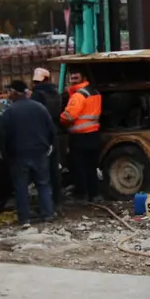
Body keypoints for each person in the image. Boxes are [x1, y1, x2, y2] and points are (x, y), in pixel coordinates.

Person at [0, 79, 58, 224]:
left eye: (9, 92)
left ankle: (24, 218)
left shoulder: (9, 112)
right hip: (40, 152)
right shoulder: (40, 108)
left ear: (14, 93)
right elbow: (52, 130)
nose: (8, 95)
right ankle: (48, 214)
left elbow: (1, 136)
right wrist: (49, 146)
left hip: (19, 154)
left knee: (21, 187)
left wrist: (5, 153)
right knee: (43, 184)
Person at [60, 69, 104, 202]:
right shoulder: (95, 92)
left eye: (75, 77)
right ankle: (94, 194)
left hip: (80, 137)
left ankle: (81, 194)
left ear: (83, 77)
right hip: (94, 134)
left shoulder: (78, 96)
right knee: (91, 167)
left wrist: (60, 119)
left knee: (79, 167)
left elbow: (69, 116)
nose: (73, 79)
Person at [29, 67, 65, 208]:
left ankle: (45, 204)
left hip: (40, 135)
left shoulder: (37, 95)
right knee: (54, 168)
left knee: (41, 171)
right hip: (55, 133)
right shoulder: (56, 93)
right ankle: (57, 199)